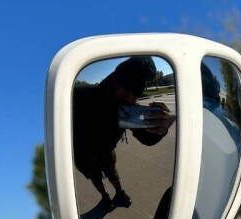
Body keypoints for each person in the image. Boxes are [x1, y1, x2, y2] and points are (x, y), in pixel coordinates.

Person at [73, 56, 174, 207]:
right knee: (95, 178)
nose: (130, 99)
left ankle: (119, 194)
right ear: (115, 81)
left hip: (106, 152)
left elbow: (145, 138)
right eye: (126, 91)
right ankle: (105, 197)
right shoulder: (80, 97)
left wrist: (160, 129)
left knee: (113, 173)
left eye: (136, 95)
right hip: (83, 155)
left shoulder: (126, 109)